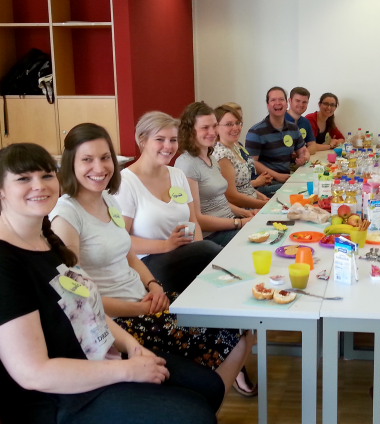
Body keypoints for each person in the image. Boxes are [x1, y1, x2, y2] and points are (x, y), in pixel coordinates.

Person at [0, 143, 224, 424]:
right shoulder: (6, 262)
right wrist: (129, 370)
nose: (39, 185)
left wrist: (133, 347)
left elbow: (86, 310)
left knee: (209, 387)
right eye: (23, 178)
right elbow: (32, 372)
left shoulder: (46, 239)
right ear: (1, 190)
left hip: (97, 356)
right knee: (194, 415)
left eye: (46, 175)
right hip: (58, 397)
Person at [50, 123, 257, 397]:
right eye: (87, 160)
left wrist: (153, 284)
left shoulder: (108, 201)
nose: (99, 168)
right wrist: (139, 309)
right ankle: (201, 400)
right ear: (70, 164)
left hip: (145, 300)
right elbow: (76, 296)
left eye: (104, 158)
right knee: (230, 337)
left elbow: (128, 253)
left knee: (241, 324)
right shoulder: (67, 214)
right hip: (118, 318)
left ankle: (205, 403)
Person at [113, 111, 222, 293]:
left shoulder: (177, 175)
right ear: (142, 140)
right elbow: (120, 241)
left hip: (185, 256)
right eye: (160, 139)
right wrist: (166, 246)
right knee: (210, 251)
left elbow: (192, 221)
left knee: (207, 258)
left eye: (173, 140)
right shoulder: (126, 182)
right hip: (146, 265)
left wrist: (197, 249)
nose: (168, 146)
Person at [175, 102, 256, 247]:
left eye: (214, 126)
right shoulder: (187, 164)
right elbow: (196, 218)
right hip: (212, 235)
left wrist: (245, 213)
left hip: (229, 223)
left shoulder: (210, 157)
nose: (212, 132)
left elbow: (221, 202)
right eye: (205, 128)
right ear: (190, 131)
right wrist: (239, 222)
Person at [246, 86, 309, 183]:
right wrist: (277, 176)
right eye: (273, 100)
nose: (278, 103)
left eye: (281, 99)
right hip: (266, 183)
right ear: (268, 105)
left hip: (286, 178)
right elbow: (252, 163)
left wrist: (303, 158)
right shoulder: (256, 131)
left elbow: (303, 151)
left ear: (287, 103)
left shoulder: (293, 128)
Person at [213, 105, 269, 209]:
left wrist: (261, 197)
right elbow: (232, 197)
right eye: (229, 124)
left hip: (253, 202)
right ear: (216, 127)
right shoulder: (222, 155)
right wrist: (264, 205)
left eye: (237, 123)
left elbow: (245, 187)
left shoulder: (234, 146)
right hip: (243, 211)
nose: (235, 128)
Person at [220, 101, 277, 197]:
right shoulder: (222, 153)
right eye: (230, 123)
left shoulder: (239, 146)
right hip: (253, 189)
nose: (236, 126)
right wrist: (257, 182)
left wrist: (263, 178)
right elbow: (233, 190)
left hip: (255, 188)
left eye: (238, 120)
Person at [285, 87, 319, 154]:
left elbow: (313, 145)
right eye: (297, 101)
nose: (301, 105)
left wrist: (301, 155)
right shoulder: (278, 120)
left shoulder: (306, 122)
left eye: (304, 102)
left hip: (300, 162)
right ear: (290, 101)